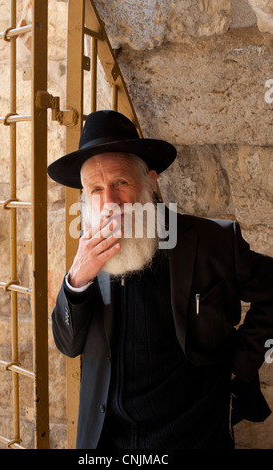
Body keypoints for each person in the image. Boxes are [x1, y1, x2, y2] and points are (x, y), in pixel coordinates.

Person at [47, 110, 273, 449]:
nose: (109, 202)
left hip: (192, 432)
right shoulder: (87, 252)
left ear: (150, 180)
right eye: (95, 189)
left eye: (120, 183)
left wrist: (242, 362)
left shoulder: (212, 241)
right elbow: (68, 344)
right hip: (107, 437)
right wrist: (76, 280)